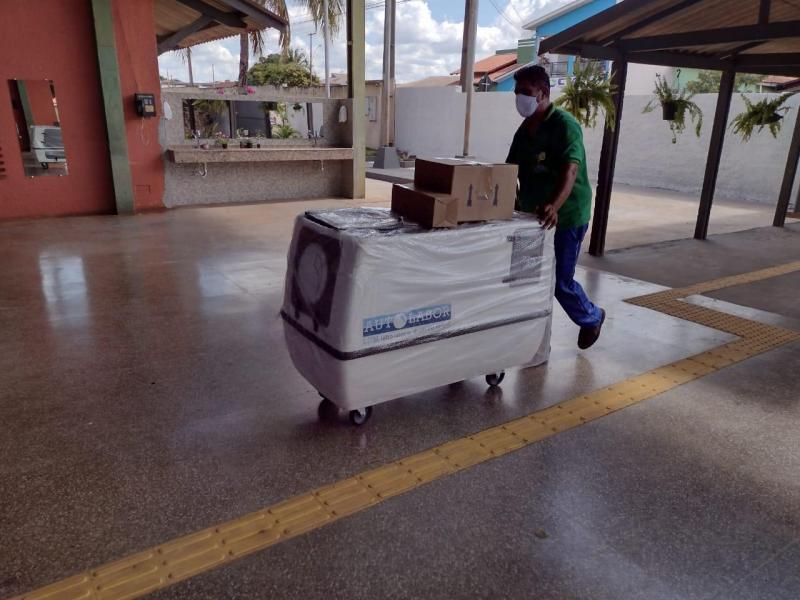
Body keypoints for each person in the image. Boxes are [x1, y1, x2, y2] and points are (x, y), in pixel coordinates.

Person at [506, 65, 605, 350]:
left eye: (525, 92)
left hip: (566, 215)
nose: (519, 98)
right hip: (530, 217)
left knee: (560, 282)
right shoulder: (524, 132)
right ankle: (534, 338)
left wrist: (554, 206)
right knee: (526, 278)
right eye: (517, 92)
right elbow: (509, 171)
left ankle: (592, 317)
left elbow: (571, 170)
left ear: (543, 93)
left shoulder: (564, 124)